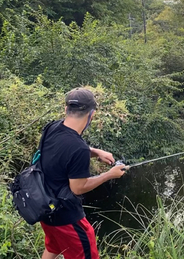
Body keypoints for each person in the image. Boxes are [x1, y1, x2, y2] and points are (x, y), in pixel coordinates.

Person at [39, 88, 126, 259]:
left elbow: (64, 150)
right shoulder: (77, 148)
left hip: (45, 207)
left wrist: (95, 152)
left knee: (54, 247)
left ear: (66, 110)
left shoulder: (52, 128)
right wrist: (109, 174)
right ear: (91, 114)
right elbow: (78, 188)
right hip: (67, 217)